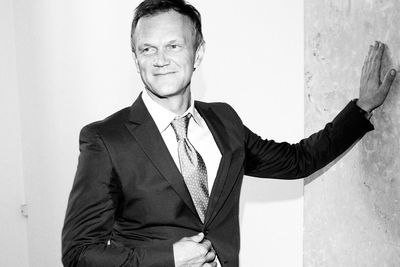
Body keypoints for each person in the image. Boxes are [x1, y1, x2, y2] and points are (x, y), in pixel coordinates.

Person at [61, 0, 397, 266]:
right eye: (147, 49)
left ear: (199, 52)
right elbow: (79, 254)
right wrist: (168, 259)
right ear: (135, 59)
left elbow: (299, 160)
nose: (160, 59)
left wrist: (362, 107)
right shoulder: (106, 140)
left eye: (174, 46)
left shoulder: (223, 121)